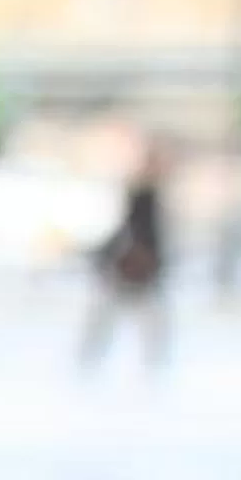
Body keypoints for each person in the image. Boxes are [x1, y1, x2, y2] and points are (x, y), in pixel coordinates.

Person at [82, 139, 171, 375]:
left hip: (141, 266)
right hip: (134, 264)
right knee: (114, 313)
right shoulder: (142, 195)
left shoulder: (148, 193)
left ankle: (94, 355)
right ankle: (91, 356)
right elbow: (136, 229)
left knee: (143, 317)